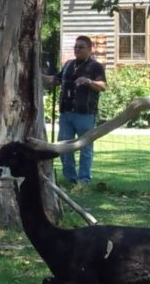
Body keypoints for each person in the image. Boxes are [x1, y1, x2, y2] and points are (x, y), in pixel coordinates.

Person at [44, 35, 106, 185]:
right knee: (64, 147)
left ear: (90, 49)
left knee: (85, 147)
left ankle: (84, 180)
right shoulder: (68, 65)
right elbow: (55, 80)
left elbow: (103, 86)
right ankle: (70, 179)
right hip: (66, 113)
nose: (77, 50)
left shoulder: (95, 66)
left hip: (85, 114)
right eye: (75, 47)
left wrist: (89, 81)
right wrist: (36, 75)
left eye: (81, 47)